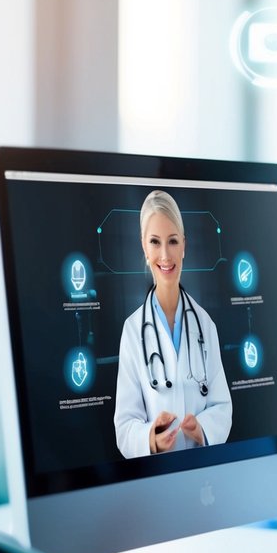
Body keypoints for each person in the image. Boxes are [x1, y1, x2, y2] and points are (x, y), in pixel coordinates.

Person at [115, 190, 232, 457]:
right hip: (156, 480)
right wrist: (151, 438)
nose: (165, 255)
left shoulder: (205, 325)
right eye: (155, 242)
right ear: (144, 248)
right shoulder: (133, 331)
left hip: (201, 476)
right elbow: (124, 426)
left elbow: (223, 407)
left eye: (173, 241)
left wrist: (201, 428)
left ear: (184, 246)